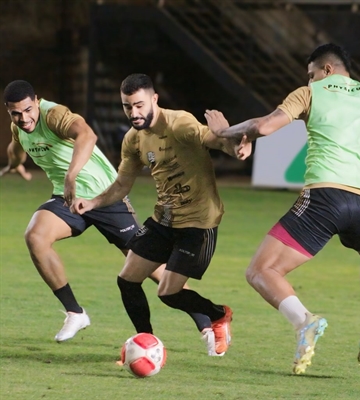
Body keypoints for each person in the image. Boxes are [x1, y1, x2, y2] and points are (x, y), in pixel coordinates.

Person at [205, 43, 360, 373]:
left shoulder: (310, 94)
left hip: (325, 197)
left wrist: (225, 131)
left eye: (311, 75)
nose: (308, 81)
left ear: (326, 71)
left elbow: (265, 126)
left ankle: (304, 321)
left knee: (260, 271)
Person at [2, 80, 212, 346]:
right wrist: (13, 165)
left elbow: (87, 135)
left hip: (105, 197)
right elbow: (17, 148)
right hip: (69, 200)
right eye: (15, 113)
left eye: (28, 110)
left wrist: (71, 174)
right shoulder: (19, 127)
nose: (24, 118)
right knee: (35, 236)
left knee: (148, 267)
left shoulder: (53, 115)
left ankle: (206, 321)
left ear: (37, 101)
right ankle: (75, 313)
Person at [71, 73, 251, 356]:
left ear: (154, 99)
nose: (134, 112)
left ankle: (218, 314)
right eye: (127, 106)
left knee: (168, 293)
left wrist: (233, 141)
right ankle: (146, 345)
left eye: (140, 105)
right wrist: (92, 203)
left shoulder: (180, 123)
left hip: (198, 224)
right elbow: (121, 185)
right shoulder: (133, 140)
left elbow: (217, 143)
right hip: (164, 220)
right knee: (127, 280)